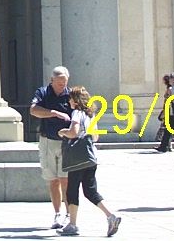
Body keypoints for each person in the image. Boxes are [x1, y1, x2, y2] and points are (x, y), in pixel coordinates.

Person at [57, 85, 122, 237]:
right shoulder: (91, 114)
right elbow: (95, 136)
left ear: (75, 100)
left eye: (70, 98)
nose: (69, 101)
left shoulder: (76, 113)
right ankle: (110, 216)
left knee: (72, 190)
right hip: (91, 157)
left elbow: (73, 132)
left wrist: (63, 132)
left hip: (77, 158)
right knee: (90, 191)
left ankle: (72, 224)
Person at [30, 66, 73, 229]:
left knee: (66, 179)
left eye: (65, 82)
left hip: (66, 142)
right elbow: (34, 110)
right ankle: (57, 214)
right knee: (53, 180)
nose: (63, 86)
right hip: (47, 140)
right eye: (60, 83)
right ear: (52, 80)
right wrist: (54, 113)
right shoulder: (42, 93)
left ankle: (70, 214)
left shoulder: (71, 95)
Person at [154, 72, 174, 152]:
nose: (169, 80)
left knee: (169, 129)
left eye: (170, 78)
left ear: (173, 79)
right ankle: (165, 146)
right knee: (168, 130)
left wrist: (169, 98)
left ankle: (164, 147)